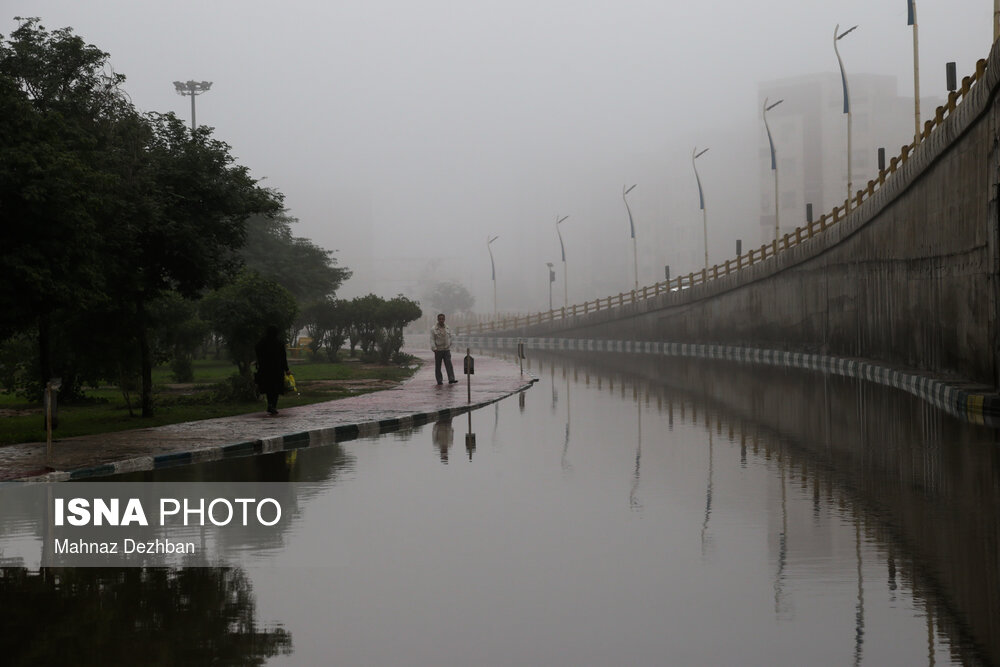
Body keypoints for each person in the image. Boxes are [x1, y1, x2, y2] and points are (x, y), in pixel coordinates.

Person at [254, 325, 289, 415]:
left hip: (265, 369)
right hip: (277, 369)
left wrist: (260, 360)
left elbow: (257, 349)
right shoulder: (279, 343)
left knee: (269, 388)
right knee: (276, 388)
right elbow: (283, 357)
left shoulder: (262, 342)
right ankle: (273, 405)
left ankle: (270, 404)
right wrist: (286, 369)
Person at [430, 313, 458, 385]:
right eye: (440, 319)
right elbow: (432, 339)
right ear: (438, 319)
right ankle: (439, 380)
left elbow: (451, 337)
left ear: (444, 319)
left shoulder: (447, 328)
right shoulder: (433, 329)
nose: (441, 320)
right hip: (438, 350)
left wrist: (450, 344)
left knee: (449, 365)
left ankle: (451, 379)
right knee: (438, 366)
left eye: (442, 319)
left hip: (446, 350)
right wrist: (434, 348)